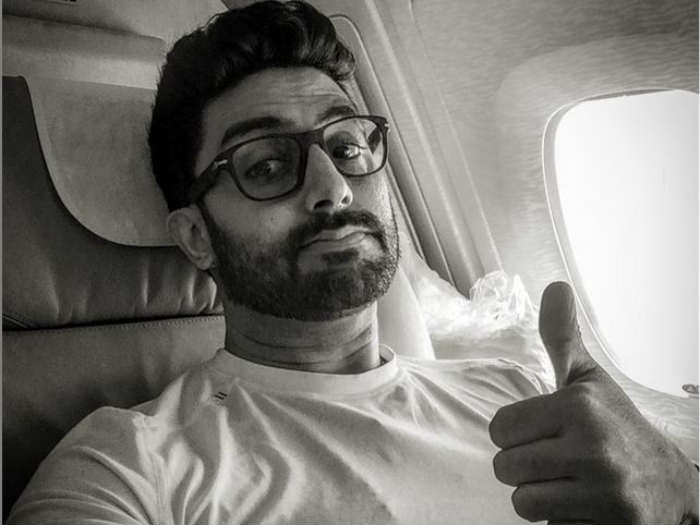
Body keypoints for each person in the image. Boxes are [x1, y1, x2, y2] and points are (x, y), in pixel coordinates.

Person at [8, 1, 698, 523]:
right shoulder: (131, 467)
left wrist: (682, 490)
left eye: (346, 147)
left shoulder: (516, 393)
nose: (332, 188)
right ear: (195, 237)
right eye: (266, 164)